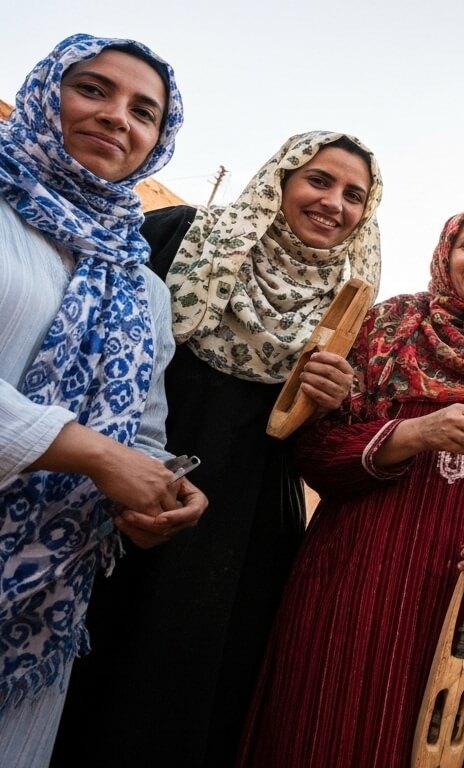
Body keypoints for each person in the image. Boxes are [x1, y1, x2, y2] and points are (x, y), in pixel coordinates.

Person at [54, 130, 382, 767]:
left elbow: (323, 451)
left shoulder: (351, 309)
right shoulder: (180, 236)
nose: (333, 203)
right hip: (117, 478)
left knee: (189, 683)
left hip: (245, 523)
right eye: (318, 180)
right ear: (279, 179)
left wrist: (329, 400)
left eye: (353, 195)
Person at [239, 203, 464, 767]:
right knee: (336, 733)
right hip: (361, 583)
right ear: (446, 253)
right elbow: (316, 451)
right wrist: (416, 432)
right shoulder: (387, 330)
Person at [0, 34, 204, 766]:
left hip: (41, 609)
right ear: (44, 91)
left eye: (143, 111)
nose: (118, 117)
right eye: (93, 90)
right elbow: (108, 449)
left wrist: (158, 494)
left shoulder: (140, 284)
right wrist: (91, 454)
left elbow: (142, 432)